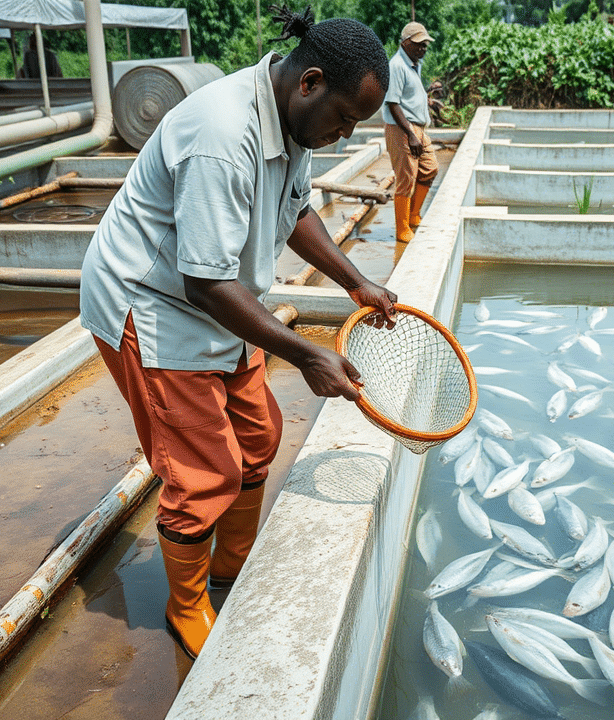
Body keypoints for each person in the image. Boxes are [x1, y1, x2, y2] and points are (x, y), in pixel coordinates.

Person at [78, 5, 396, 660]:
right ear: (309, 83)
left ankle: (231, 563)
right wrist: (307, 354)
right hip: (154, 305)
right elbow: (202, 281)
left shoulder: (293, 123)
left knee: (258, 436)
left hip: (218, 296)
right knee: (203, 472)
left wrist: (355, 282)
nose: (343, 135)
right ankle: (187, 605)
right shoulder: (222, 134)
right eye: (343, 119)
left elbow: (295, 210)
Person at [382, 21, 438, 243]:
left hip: (417, 127)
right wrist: (411, 135)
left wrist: (426, 98)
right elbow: (392, 103)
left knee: (429, 169)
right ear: (405, 43)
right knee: (406, 178)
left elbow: (408, 96)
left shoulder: (414, 64)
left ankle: (414, 214)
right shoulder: (396, 66)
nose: (423, 48)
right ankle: (402, 228)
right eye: (418, 44)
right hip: (402, 128)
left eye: (425, 44)